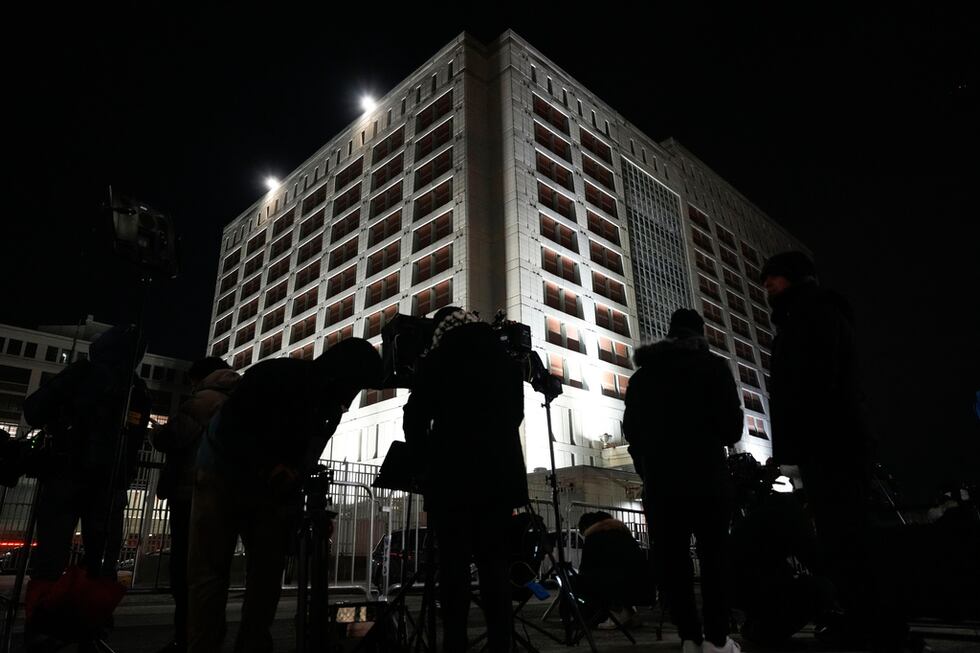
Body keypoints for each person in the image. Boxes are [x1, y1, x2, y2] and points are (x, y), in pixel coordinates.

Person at [760, 251, 916, 651]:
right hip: (827, 444)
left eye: (773, 279)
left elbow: (816, 385)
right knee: (839, 536)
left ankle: (878, 624)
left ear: (793, 279)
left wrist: (800, 445)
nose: (767, 288)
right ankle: (866, 618)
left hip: (833, 444)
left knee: (849, 536)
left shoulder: (816, 315)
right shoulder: (803, 317)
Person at [186, 338, 382, 653]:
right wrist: (271, 467)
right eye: (356, 384)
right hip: (220, 475)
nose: (354, 394)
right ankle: (204, 646)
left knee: (265, 575)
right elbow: (232, 431)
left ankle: (253, 645)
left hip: (267, 489)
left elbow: (306, 458)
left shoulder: (328, 405)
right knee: (211, 574)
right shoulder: (277, 375)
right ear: (341, 374)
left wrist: (293, 496)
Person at [403, 307, 528, 653]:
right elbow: (515, 416)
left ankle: (454, 643)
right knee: (494, 567)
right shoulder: (506, 363)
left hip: (451, 479)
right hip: (498, 480)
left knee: (453, 567)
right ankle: (500, 643)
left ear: (441, 332)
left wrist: (423, 464)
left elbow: (414, 418)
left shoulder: (437, 360)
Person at [623, 308, 743, 653]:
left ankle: (689, 637)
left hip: (662, 480)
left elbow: (632, 431)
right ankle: (717, 640)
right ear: (700, 335)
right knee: (715, 558)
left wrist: (647, 468)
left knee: (672, 561)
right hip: (707, 476)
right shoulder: (714, 368)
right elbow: (732, 429)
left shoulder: (643, 377)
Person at [22, 325, 151, 644]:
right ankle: (92, 621)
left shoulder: (81, 374)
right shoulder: (136, 388)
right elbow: (136, 439)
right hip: (110, 484)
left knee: (50, 556)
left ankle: (42, 624)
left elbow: (34, 411)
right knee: (102, 559)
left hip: (65, 475)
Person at [150, 356, 240, 653]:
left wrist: (156, 432)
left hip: (192, 493)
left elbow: (174, 437)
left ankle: (186, 639)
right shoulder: (236, 399)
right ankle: (208, 638)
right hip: (225, 495)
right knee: (214, 572)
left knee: (187, 573)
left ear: (200, 377)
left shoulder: (203, 400)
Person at [573, 511, 653, 630]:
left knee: (583, 583)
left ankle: (615, 614)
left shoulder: (594, 537)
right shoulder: (624, 535)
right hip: (643, 585)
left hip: (614, 586)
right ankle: (628, 613)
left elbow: (586, 568)